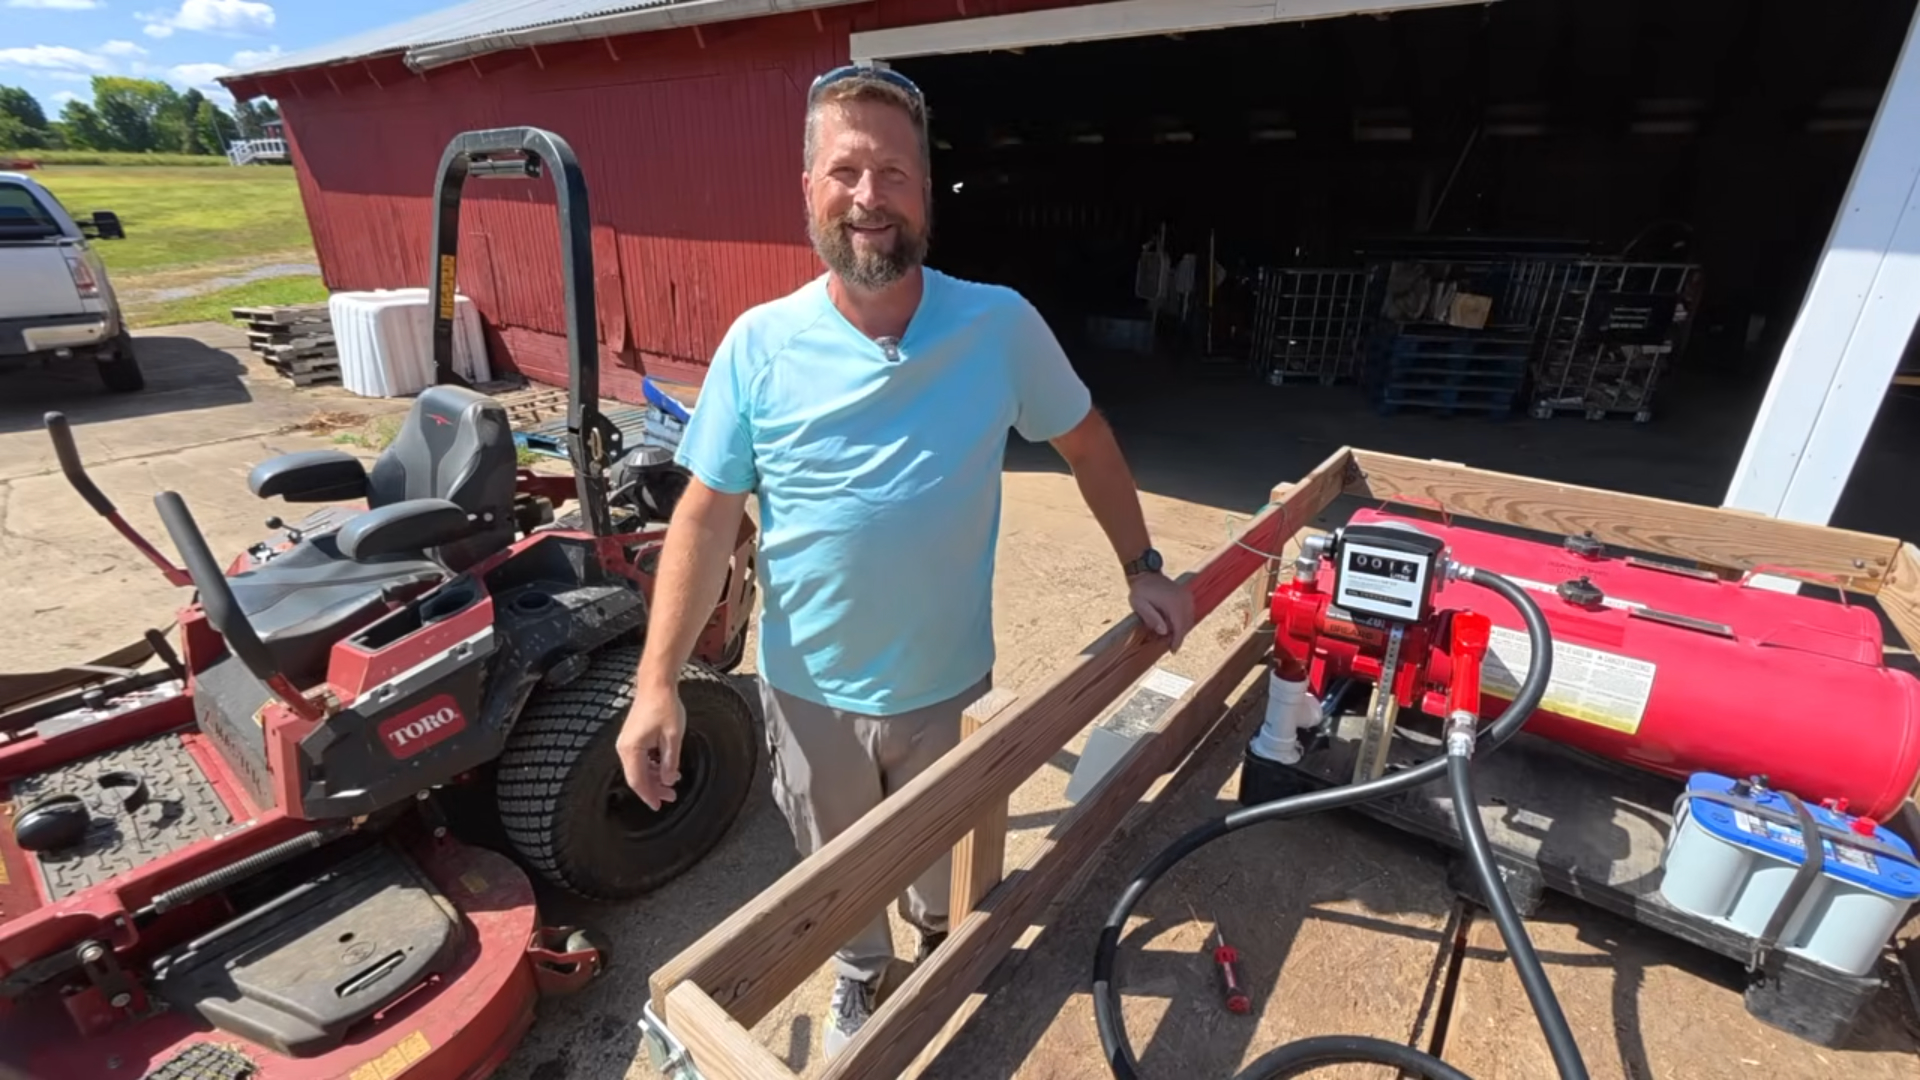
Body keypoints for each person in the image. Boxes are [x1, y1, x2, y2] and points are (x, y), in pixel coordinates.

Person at [615, 63, 1195, 1056]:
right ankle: (860, 972)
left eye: (893, 172)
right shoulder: (760, 345)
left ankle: (941, 956)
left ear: (927, 191)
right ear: (809, 191)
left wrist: (1142, 562)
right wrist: (656, 684)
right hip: (807, 697)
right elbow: (706, 518)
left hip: (944, 692)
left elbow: (1087, 441)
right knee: (837, 872)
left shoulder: (997, 325)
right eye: (844, 171)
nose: (869, 198)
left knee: (942, 871)